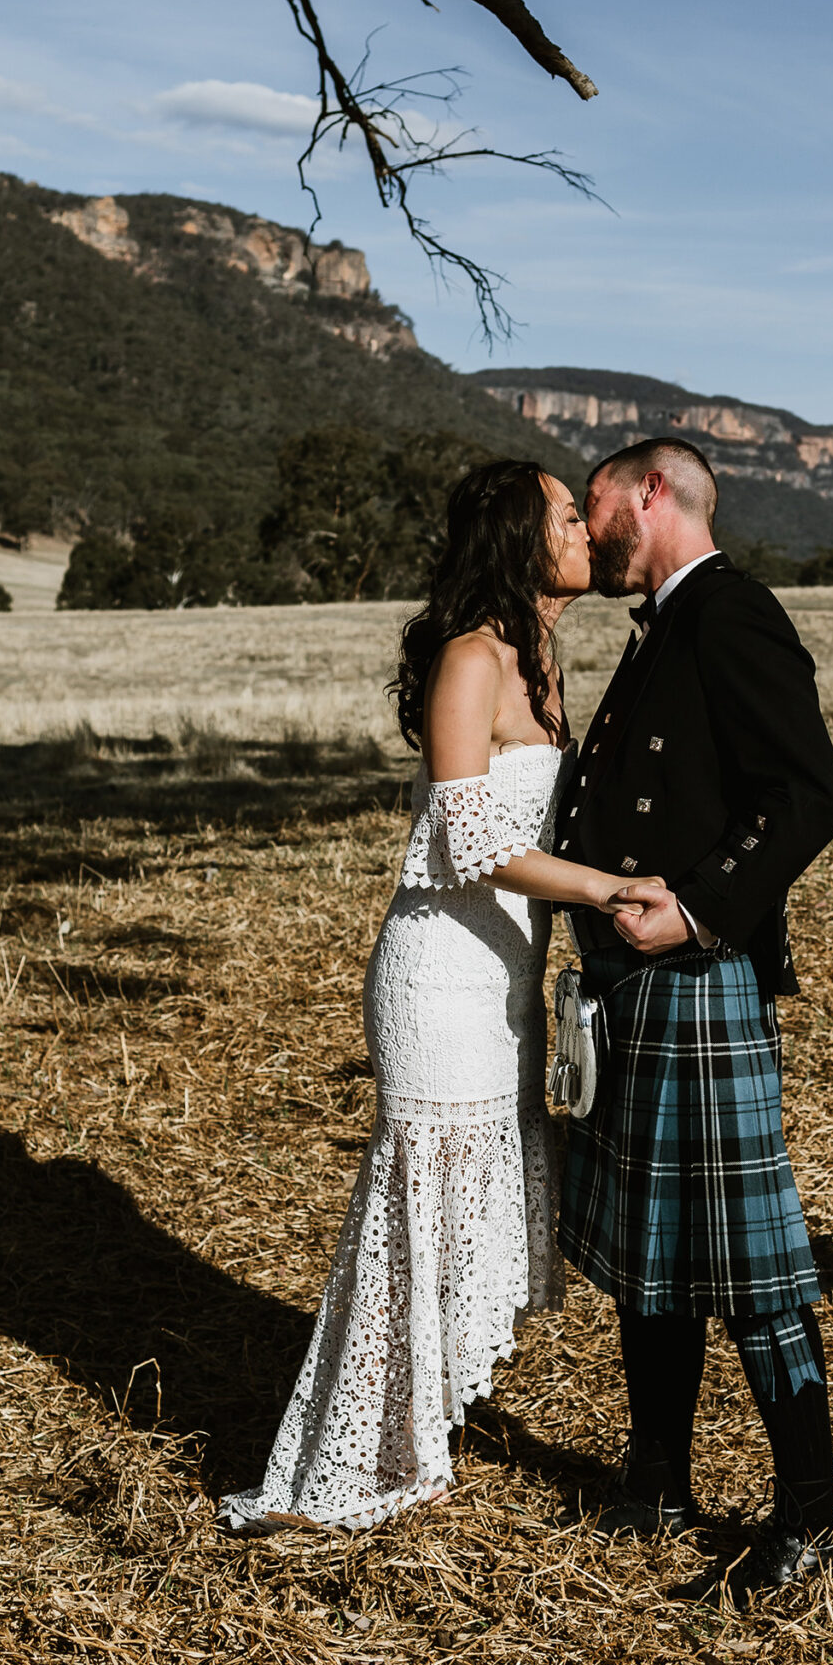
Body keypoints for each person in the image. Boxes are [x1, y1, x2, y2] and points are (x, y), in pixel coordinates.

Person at [220, 462, 656, 1534]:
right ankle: (355, 1456)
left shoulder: (542, 654)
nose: (585, 531)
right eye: (565, 515)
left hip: (503, 972)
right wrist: (605, 888)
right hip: (440, 975)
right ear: (520, 541)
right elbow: (465, 836)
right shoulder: (471, 657)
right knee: (422, 1196)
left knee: (474, 1193)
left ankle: (414, 1424)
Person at [551, 438, 833, 1589]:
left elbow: (811, 793)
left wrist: (699, 907)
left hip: (698, 978)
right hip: (637, 986)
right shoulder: (664, 625)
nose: (591, 529)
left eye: (597, 506)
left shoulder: (730, 613)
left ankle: (814, 1516)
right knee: (651, 1252)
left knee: (749, 1258)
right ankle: (657, 1478)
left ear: (652, 494)